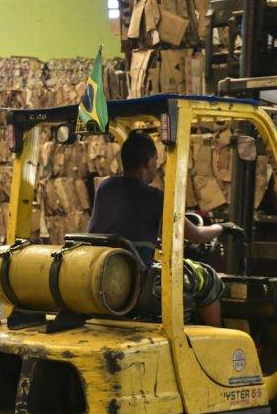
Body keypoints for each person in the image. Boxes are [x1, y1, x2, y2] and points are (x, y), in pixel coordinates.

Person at [88, 130, 245, 326]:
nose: (156, 166)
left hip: (101, 274)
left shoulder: (105, 188)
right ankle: (218, 337)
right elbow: (197, 235)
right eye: (155, 160)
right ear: (147, 163)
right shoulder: (156, 198)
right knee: (208, 277)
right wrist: (223, 228)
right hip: (136, 281)